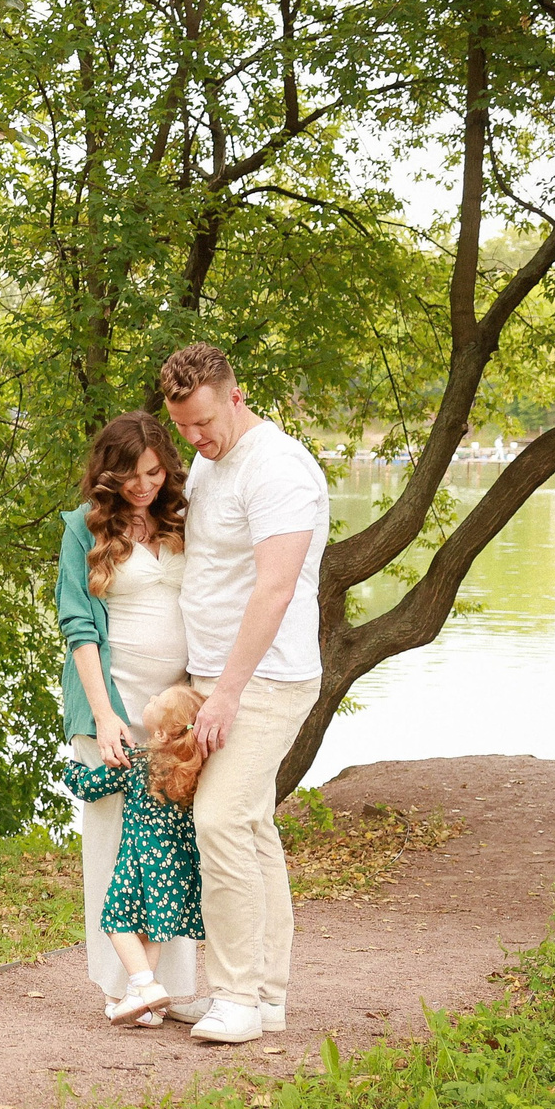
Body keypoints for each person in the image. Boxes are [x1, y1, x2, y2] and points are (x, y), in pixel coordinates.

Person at [160, 343, 330, 1046]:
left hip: (266, 678)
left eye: (204, 421)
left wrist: (226, 692)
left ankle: (236, 993)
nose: (195, 438)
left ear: (234, 395)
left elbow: (275, 585)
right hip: (218, 675)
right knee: (252, 826)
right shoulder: (211, 459)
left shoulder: (278, 466)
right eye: (183, 427)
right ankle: (264, 996)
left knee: (222, 819)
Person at [55, 411, 206, 1027]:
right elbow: (78, 627)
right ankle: (123, 986)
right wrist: (105, 715)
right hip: (113, 704)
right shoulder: (81, 528)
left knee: (171, 843)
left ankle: (167, 984)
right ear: (108, 474)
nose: (144, 485)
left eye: (153, 471)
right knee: (115, 842)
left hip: (173, 712)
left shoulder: (182, 516)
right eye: (130, 475)